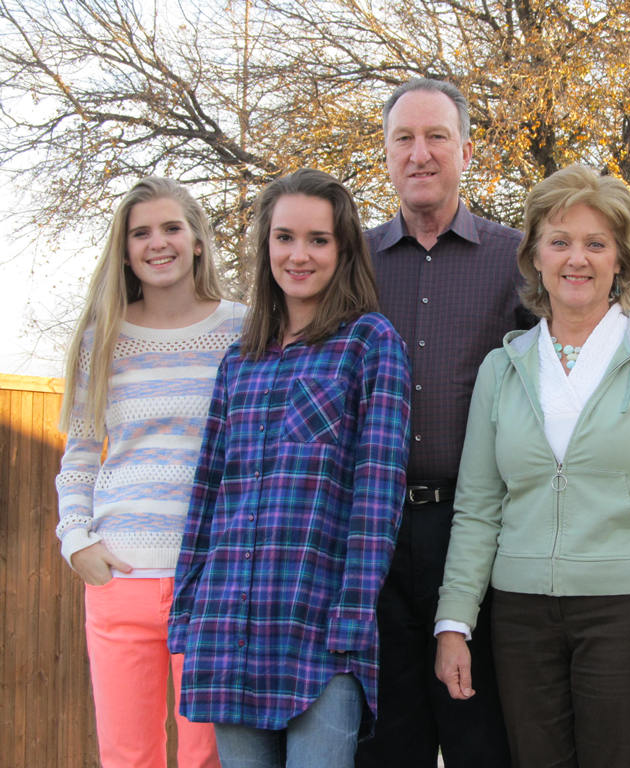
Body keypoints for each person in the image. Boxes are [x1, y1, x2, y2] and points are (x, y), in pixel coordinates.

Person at [434, 165, 630, 768]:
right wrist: (454, 621)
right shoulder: (502, 369)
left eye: (596, 244)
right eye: (560, 242)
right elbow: (478, 508)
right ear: (535, 256)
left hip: (628, 611)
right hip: (520, 616)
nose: (576, 259)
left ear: (621, 260)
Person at [168, 169, 411, 768]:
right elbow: (207, 493)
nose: (298, 255)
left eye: (318, 240)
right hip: (229, 627)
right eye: (284, 238)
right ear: (266, 247)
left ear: (343, 248)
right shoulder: (239, 360)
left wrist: (353, 614)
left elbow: (376, 500)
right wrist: (188, 607)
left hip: (320, 630)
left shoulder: (370, 344)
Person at [355, 78, 532, 768]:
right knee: (386, 740)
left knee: (479, 734)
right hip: (376, 534)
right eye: (404, 138)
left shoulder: (516, 257)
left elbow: (590, 349)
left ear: (465, 149)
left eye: (435, 137)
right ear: (387, 154)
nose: (419, 153)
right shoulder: (355, 261)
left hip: (478, 529)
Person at [55, 176, 241, 768]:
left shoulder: (242, 329)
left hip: (212, 581)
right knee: (127, 756)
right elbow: (80, 453)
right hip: (120, 576)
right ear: (126, 249)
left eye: (170, 228)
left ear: (196, 242)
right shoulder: (101, 338)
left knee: (207, 758)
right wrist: (76, 540)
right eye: (140, 233)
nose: (156, 243)